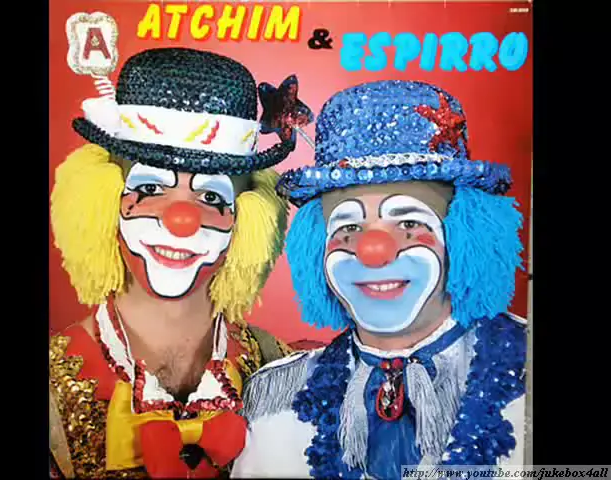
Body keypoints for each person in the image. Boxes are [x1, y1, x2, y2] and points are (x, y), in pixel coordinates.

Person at [232, 80, 528, 478]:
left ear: (462, 233)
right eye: (349, 228)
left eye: (408, 223)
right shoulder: (274, 403)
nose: (373, 251)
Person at [49, 47, 297, 479]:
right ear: (102, 196)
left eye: (212, 196)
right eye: (150, 188)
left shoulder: (286, 376)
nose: (181, 221)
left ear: (249, 216)